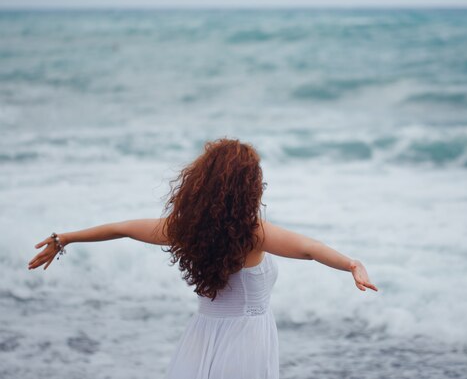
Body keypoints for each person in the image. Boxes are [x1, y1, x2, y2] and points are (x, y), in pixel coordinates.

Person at [27, 138, 378, 379]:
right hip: (245, 341)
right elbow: (309, 248)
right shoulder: (253, 233)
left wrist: (65, 238)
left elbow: (124, 228)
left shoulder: (185, 228)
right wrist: (350, 263)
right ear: (249, 187)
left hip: (202, 336)